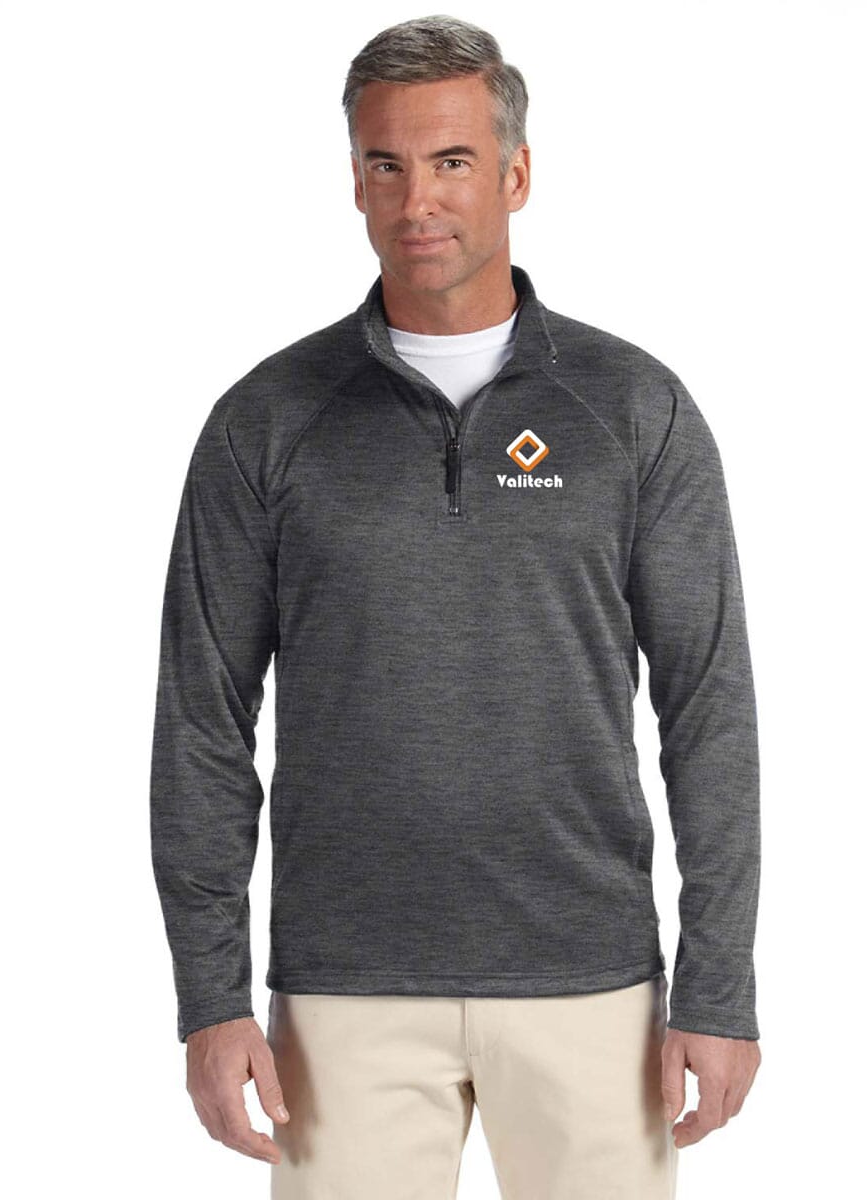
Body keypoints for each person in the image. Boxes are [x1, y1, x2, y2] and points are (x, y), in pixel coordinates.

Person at [149, 15, 762, 1198]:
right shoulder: (266, 421)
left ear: (516, 174)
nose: (416, 199)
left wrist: (720, 986)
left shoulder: (634, 408)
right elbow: (201, 723)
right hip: (343, 996)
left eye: (452, 161)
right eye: (385, 163)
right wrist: (210, 999)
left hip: (592, 986)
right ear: (354, 180)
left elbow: (710, 708)